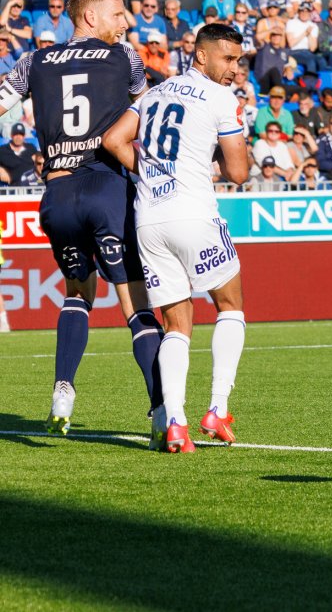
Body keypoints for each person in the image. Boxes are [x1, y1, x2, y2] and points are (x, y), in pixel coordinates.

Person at [0, 0, 164, 435]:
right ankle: (161, 411)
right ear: (90, 16)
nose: (126, 21)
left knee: (77, 294)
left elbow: (1, 102)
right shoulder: (125, 55)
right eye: (117, 12)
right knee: (135, 305)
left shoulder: (34, 60)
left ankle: (63, 389)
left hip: (57, 197)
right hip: (106, 187)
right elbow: (147, 110)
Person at [103, 22, 248, 452]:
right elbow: (239, 173)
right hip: (193, 215)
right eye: (228, 58)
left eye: (239, 61)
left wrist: (149, 170)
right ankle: (218, 408)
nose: (235, 69)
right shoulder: (222, 98)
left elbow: (113, 139)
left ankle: (176, 424)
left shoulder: (154, 93)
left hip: (149, 219)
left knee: (176, 325)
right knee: (230, 305)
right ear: (200, 55)